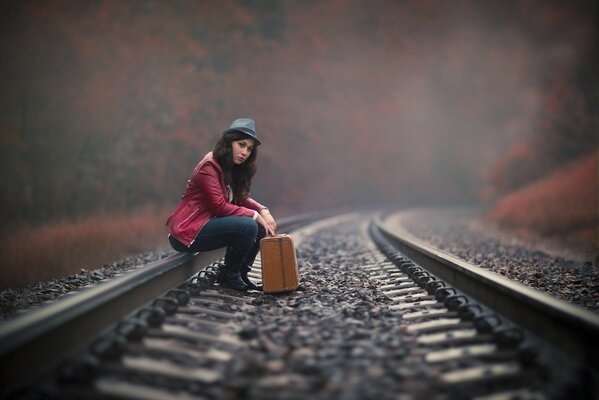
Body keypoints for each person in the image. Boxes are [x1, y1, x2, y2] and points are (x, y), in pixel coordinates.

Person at [165, 118, 276, 291]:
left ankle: (241, 274)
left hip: (207, 225)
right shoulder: (209, 166)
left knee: (260, 228)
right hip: (187, 232)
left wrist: (263, 210)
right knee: (249, 225)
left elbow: (241, 197)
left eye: (249, 148)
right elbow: (220, 206)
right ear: (228, 142)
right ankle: (229, 275)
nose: (245, 152)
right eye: (241, 144)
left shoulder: (230, 167)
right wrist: (254, 215)